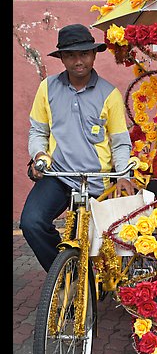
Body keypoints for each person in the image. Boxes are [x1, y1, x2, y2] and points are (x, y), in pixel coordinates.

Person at [20, 23, 134, 272]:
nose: (78, 61)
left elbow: (120, 142)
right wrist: (39, 154)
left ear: (94, 55)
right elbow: (38, 132)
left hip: (98, 181)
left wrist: (123, 175)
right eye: (70, 55)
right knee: (31, 222)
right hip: (59, 176)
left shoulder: (109, 94)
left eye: (84, 53)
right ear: (61, 57)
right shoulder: (47, 88)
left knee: (99, 245)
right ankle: (63, 275)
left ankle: (86, 282)